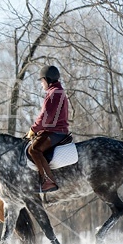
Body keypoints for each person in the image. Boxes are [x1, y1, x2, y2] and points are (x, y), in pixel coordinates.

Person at [26, 65, 70, 193]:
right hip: (54, 130)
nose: (41, 84)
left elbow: (46, 116)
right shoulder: (57, 91)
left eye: (41, 81)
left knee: (34, 150)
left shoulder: (54, 93)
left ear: (47, 79)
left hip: (56, 132)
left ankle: (48, 181)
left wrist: (33, 129)